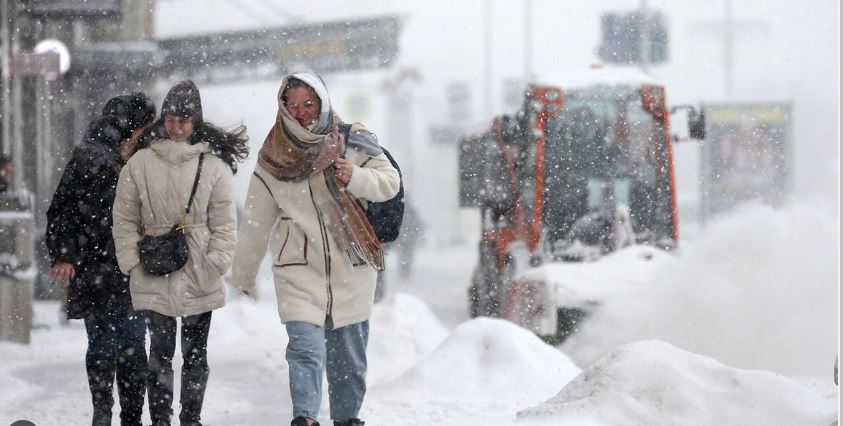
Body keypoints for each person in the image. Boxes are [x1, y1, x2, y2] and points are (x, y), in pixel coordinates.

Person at [231, 71, 400, 426]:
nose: (301, 112)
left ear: (322, 103)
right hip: (298, 268)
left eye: (309, 103)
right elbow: (255, 222)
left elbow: (389, 183)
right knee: (305, 350)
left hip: (351, 266)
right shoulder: (273, 156)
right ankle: (304, 418)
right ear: (282, 107)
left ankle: (346, 419)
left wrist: (353, 175)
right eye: (292, 105)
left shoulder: (354, 141)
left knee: (348, 360)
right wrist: (243, 274)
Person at [112, 80, 248, 426]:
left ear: (195, 122)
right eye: (171, 119)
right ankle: (161, 419)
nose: (176, 127)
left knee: (195, 354)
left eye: (184, 120)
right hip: (153, 267)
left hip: (199, 269)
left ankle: (190, 418)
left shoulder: (214, 167)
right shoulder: (140, 164)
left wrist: (216, 261)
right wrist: (130, 261)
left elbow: (224, 222)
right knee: (159, 354)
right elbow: (124, 217)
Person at [45, 92, 156, 426]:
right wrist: (64, 254)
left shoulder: (126, 157)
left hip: (114, 268)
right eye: (143, 128)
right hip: (108, 267)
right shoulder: (93, 159)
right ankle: (116, 414)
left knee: (115, 343)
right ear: (131, 127)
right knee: (123, 343)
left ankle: (112, 413)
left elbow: (61, 210)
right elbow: (63, 210)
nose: (146, 135)